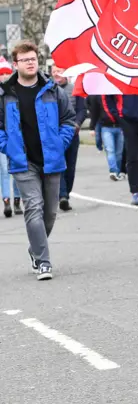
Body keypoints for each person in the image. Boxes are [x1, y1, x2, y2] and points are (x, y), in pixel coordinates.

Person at [0, 41, 75, 280]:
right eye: (25, 60)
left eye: (33, 59)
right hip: (23, 161)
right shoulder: (5, 94)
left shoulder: (53, 90)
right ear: (16, 64)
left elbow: (69, 120)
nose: (31, 63)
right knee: (33, 207)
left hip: (51, 160)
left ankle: (35, 249)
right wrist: (9, 147)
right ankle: (44, 262)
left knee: (49, 215)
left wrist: (59, 144)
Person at [51, 65, 86, 212]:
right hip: (56, 135)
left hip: (72, 133)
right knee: (60, 165)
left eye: (59, 71)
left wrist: (77, 124)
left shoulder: (75, 89)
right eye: (54, 72)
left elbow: (82, 110)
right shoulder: (49, 91)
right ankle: (62, 196)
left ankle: (66, 193)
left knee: (70, 166)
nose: (57, 74)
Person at [0, 57, 21, 218]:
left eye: (6, 73)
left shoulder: (15, 91)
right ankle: (6, 200)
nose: (4, 77)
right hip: (2, 137)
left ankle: (17, 200)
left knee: (18, 169)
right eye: (1, 74)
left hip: (16, 136)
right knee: (5, 170)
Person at [88, 95, 125, 181]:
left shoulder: (120, 96)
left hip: (120, 127)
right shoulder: (99, 97)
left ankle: (118, 172)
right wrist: (92, 127)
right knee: (110, 149)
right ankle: (113, 171)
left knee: (119, 152)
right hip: (106, 127)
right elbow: (95, 112)